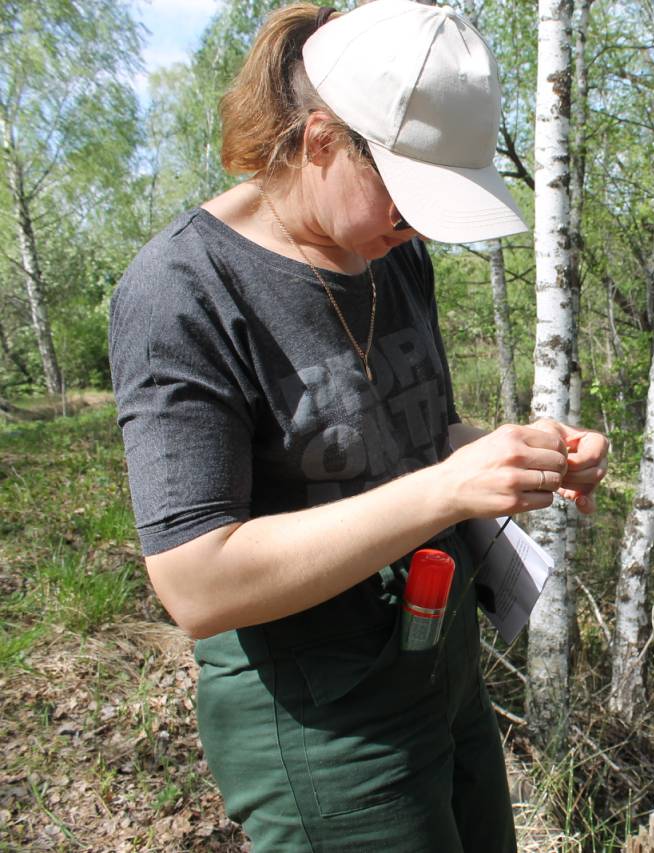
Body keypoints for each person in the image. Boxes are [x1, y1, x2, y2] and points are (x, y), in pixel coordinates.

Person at [109, 2, 607, 850]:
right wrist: (447, 487)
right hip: (326, 726)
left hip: (441, 664)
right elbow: (196, 583)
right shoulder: (183, 292)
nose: (416, 227)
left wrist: (520, 455)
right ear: (321, 141)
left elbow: (418, 437)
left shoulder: (391, 252)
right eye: (407, 198)